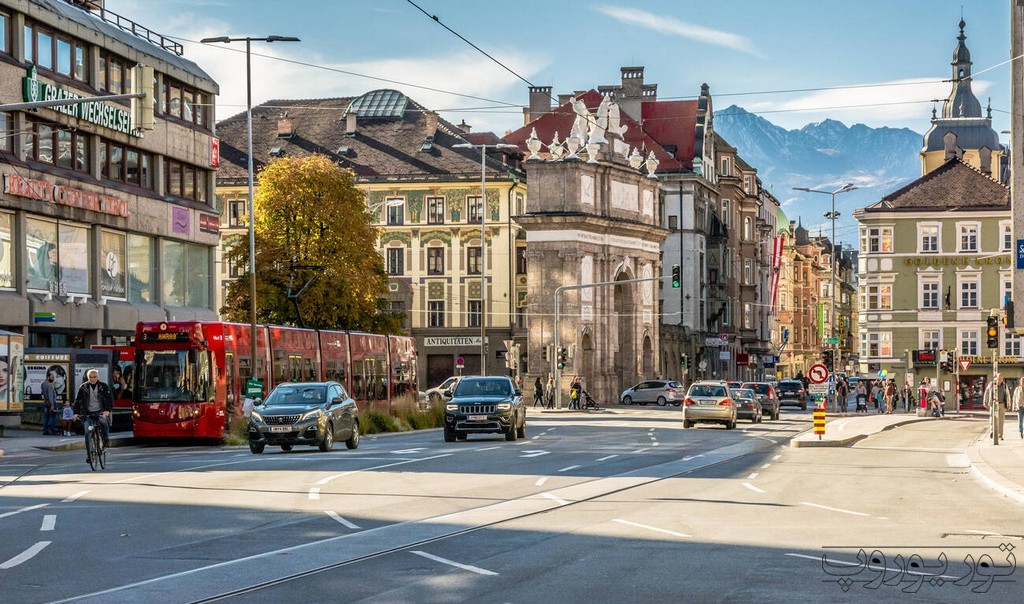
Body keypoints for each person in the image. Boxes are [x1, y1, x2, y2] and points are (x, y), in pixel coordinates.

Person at [73, 369, 114, 453]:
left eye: (94, 377)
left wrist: (107, 410)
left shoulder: (103, 386)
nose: (92, 379)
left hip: (100, 411)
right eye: (90, 377)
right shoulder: (83, 387)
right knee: (87, 432)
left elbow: (109, 399)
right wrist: (76, 413)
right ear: (88, 378)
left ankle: (106, 440)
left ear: (97, 377)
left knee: (104, 423)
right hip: (87, 413)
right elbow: (78, 400)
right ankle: (89, 454)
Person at [983, 373, 1010, 441]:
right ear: (996, 378)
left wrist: (1008, 404)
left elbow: (1007, 395)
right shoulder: (991, 384)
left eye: (1001, 379)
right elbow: (986, 392)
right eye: (999, 379)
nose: (1000, 380)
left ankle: (1000, 435)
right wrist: (985, 401)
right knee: (992, 418)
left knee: (1001, 421)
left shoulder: (1004, 385)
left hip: (1002, 404)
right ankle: (992, 432)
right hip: (993, 404)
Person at [41, 369, 59, 435]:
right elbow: (50, 395)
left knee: (46, 417)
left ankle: (45, 430)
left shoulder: (43, 384)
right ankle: (52, 430)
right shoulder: (50, 385)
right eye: (52, 377)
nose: (53, 379)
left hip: (46, 402)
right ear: (48, 377)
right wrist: (52, 405)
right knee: (52, 417)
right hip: (51, 403)